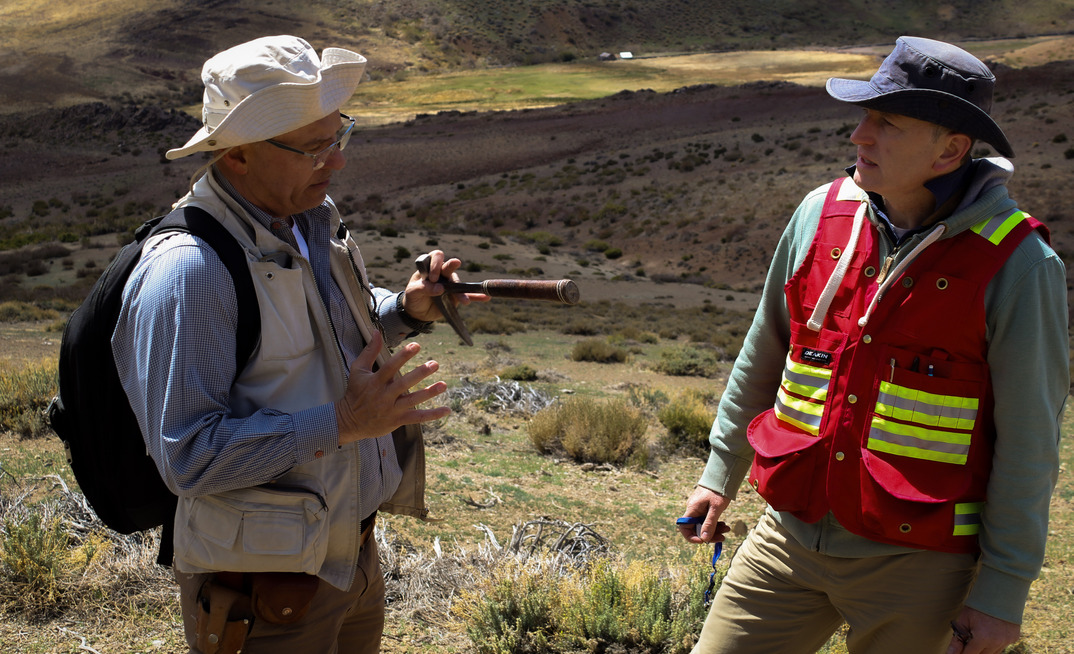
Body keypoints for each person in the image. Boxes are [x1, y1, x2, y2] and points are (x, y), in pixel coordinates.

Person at [678, 36, 1067, 654]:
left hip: (919, 568)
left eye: (887, 122)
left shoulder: (1019, 266)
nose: (859, 136)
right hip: (787, 539)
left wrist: (1002, 593)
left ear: (952, 150)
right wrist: (719, 474)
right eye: (864, 117)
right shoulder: (818, 214)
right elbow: (764, 352)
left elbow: (1029, 444)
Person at [112, 35, 487, 653]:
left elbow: (326, 339)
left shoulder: (311, 219)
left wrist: (404, 309)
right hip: (261, 587)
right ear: (237, 156)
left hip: (348, 559)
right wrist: (341, 422)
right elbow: (189, 458)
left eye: (340, 136)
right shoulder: (191, 270)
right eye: (315, 148)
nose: (336, 163)